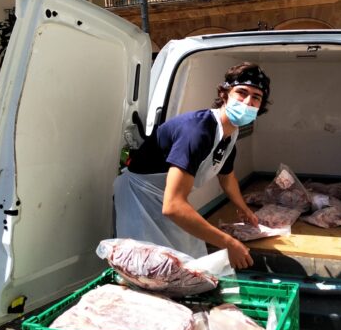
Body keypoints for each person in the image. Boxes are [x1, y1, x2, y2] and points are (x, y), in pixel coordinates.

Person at [113, 62, 271, 269]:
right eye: (242, 92)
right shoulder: (197, 131)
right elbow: (173, 206)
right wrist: (229, 243)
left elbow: (226, 175)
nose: (248, 102)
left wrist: (243, 208)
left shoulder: (230, 135)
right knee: (145, 267)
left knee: (185, 263)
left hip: (166, 199)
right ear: (224, 94)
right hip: (139, 197)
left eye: (256, 97)